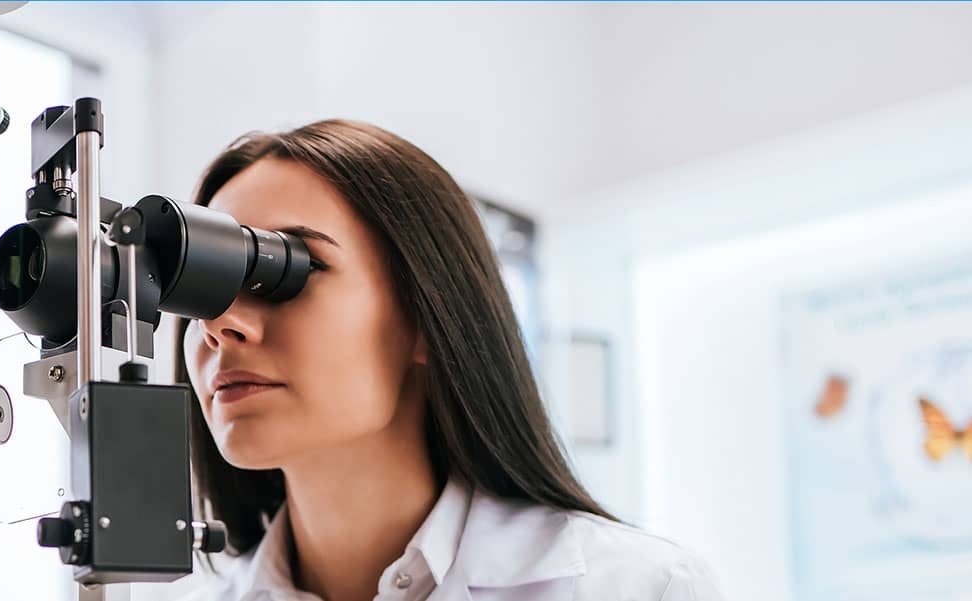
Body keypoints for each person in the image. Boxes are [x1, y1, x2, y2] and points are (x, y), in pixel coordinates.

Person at [177, 120, 723, 601]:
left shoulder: (640, 589)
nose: (219, 325)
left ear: (428, 316)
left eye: (282, 270)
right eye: (202, 288)